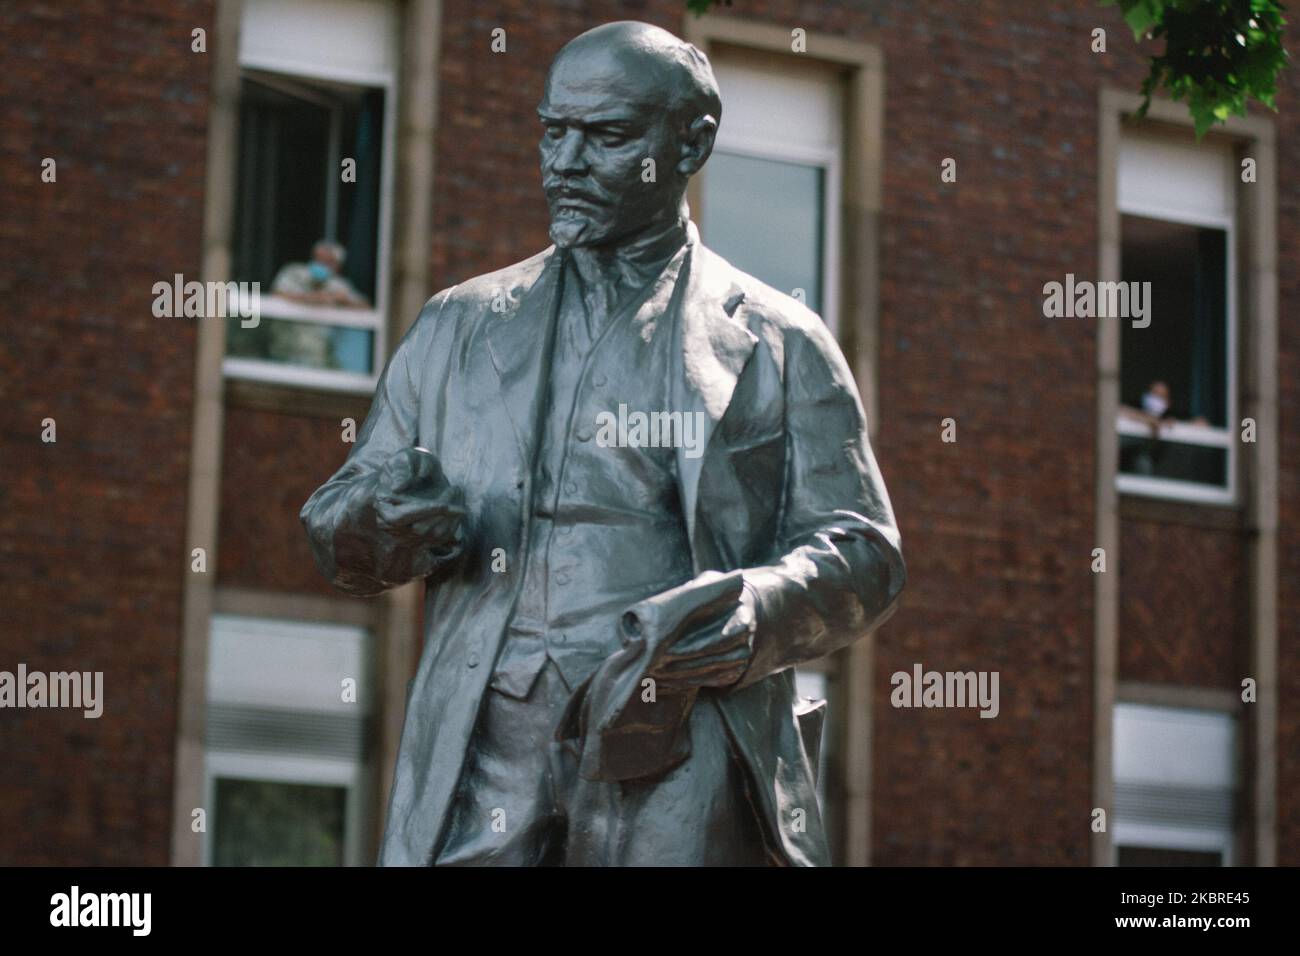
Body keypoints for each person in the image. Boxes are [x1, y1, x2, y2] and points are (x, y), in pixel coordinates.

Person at [301, 21, 905, 866]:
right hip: (486, 738)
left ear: (691, 142)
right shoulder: (459, 326)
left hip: (680, 738)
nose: (565, 162)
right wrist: (378, 520)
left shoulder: (780, 340)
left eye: (607, 136)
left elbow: (864, 550)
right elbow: (338, 521)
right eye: (554, 130)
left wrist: (752, 610)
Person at [270, 239, 369, 308]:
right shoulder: (294, 272)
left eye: (328, 262)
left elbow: (365, 306)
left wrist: (344, 302)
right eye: (319, 259)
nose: (321, 265)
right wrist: (309, 298)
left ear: (338, 267)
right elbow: (276, 294)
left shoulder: (339, 284)